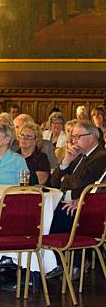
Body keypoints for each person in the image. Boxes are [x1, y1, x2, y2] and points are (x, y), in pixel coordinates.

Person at [47, 120, 106, 279]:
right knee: (44, 214)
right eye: (72, 137)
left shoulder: (100, 157)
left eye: (78, 137)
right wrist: (66, 162)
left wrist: (72, 188)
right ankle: (57, 263)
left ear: (92, 137)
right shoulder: (77, 155)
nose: (73, 141)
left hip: (88, 209)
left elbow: (81, 183)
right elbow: (53, 183)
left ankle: (69, 262)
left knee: (52, 217)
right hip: (70, 201)